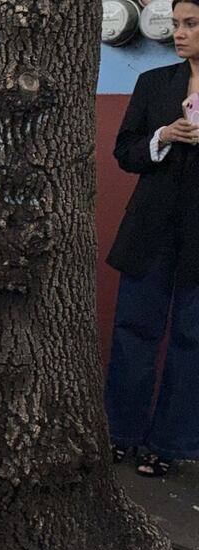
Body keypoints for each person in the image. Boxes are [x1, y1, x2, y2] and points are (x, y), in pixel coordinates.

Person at [107, 0, 199, 476]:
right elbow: (125, 151)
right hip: (150, 230)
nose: (178, 33)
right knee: (134, 330)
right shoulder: (154, 82)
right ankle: (121, 433)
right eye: (177, 24)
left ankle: (170, 444)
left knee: (192, 338)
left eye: (191, 24)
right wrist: (162, 134)